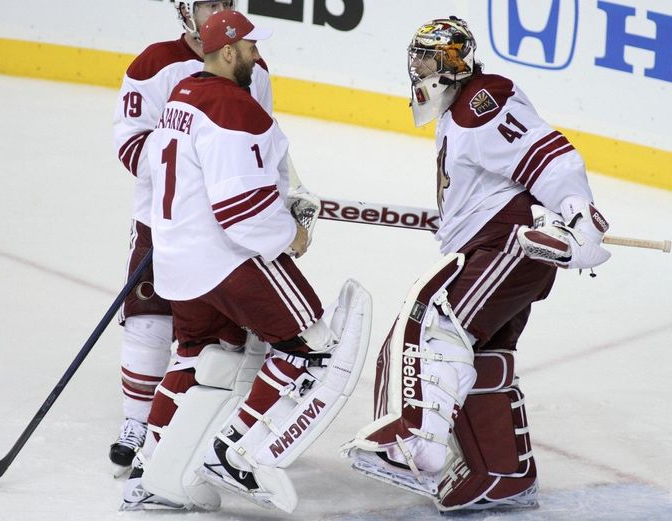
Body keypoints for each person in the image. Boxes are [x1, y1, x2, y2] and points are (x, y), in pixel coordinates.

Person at [344, 17, 611, 513]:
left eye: (431, 55)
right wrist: (453, 225)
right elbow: (484, 181)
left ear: (456, 60)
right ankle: (503, 475)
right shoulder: (456, 108)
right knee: (487, 354)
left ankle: (412, 450)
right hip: (496, 246)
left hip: (512, 245)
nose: (418, 64)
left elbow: (546, 155)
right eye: (416, 53)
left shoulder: (481, 102)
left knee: (442, 328)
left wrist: (579, 213)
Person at [120, 10, 371, 512]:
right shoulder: (235, 109)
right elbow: (241, 214)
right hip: (226, 258)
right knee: (308, 347)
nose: (258, 57)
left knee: (193, 355)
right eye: (251, 49)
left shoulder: (183, 96)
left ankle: (149, 472)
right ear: (229, 52)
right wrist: (292, 234)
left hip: (176, 257)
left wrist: (280, 198)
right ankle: (232, 452)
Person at [110, 1, 314, 476]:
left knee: (214, 338)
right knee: (149, 321)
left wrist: (283, 189)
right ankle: (137, 426)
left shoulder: (251, 67)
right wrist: (191, 184)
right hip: (173, 217)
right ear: (185, 9)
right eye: (206, 3)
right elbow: (131, 141)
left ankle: (187, 438)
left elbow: (257, 137)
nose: (215, 11)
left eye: (223, 2)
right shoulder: (154, 63)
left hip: (216, 220)